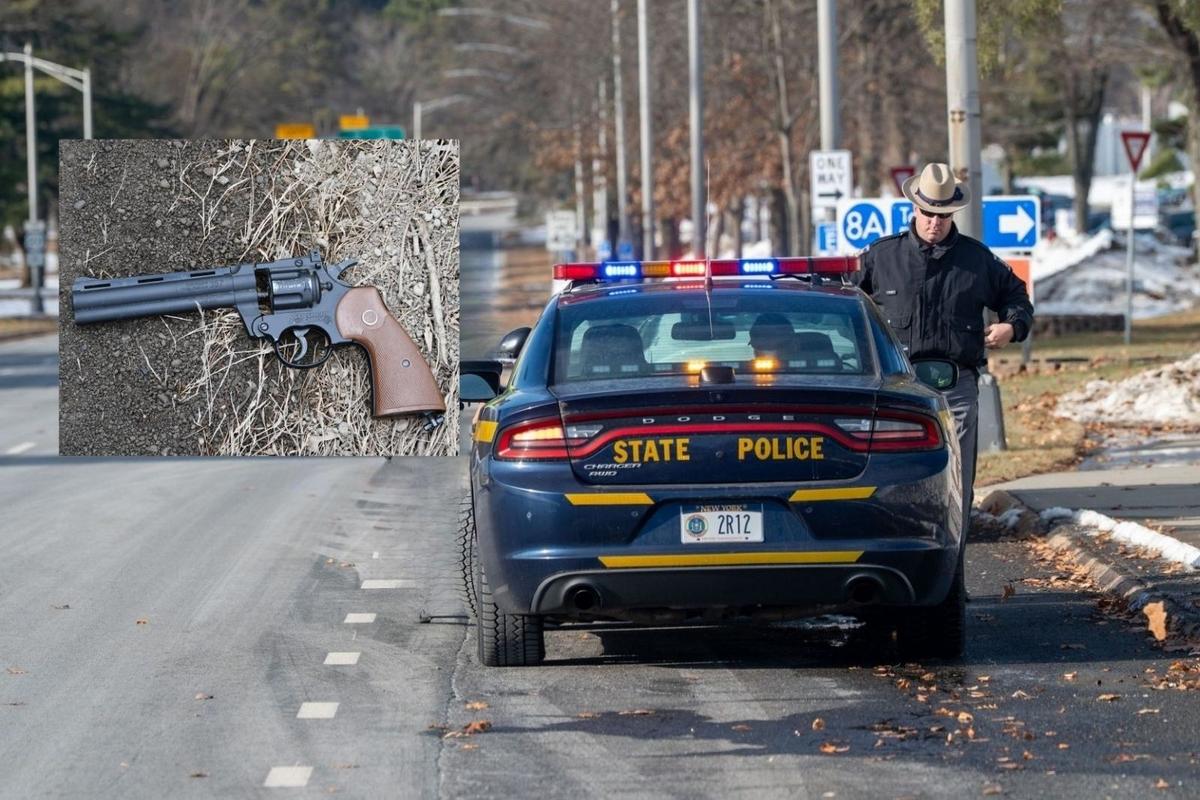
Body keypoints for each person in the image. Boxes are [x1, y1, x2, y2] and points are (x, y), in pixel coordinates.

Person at [856, 162, 1033, 529]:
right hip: (895, 386)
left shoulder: (976, 259)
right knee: (895, 474)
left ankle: (954, 555)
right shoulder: (882, 257)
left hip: (957, 385)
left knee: (958, 478)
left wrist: (1011, 328)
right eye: (927, 213)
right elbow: (844, 301)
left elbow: (1016, 296)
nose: (934, 222)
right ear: (914, 208)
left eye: (942, 215)